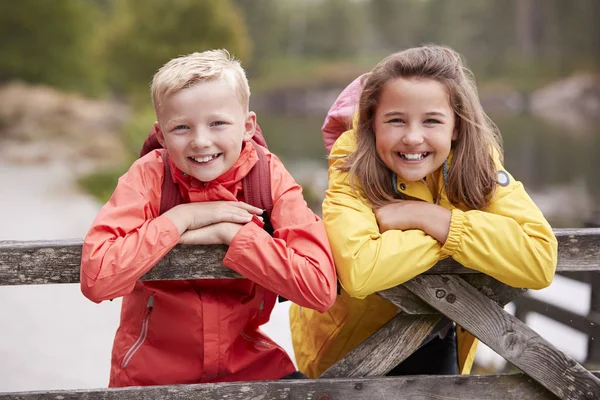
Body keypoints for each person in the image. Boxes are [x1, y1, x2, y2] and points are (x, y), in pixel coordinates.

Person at [290, 45, 558, 378]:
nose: (413, 137)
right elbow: (359, 270)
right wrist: (465, 244)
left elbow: (540, 258)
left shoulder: (479, 162)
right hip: (347, 353)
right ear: (373, 124)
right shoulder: (352, 158)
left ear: (456, 127)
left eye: (432, 121)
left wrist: (431, 219)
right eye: (396, 120)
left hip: (440, 332)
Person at [80, 49, 336, 387]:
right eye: (182, 127)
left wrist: (234, 234)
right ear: (161, 135)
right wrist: (182, 219)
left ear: (248, 126)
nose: (201, 141)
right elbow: (97, 277)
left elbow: (319, 288)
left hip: (246, 365)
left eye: (217, 123)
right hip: (150, 374)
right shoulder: (148, 177)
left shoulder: (268, 177)